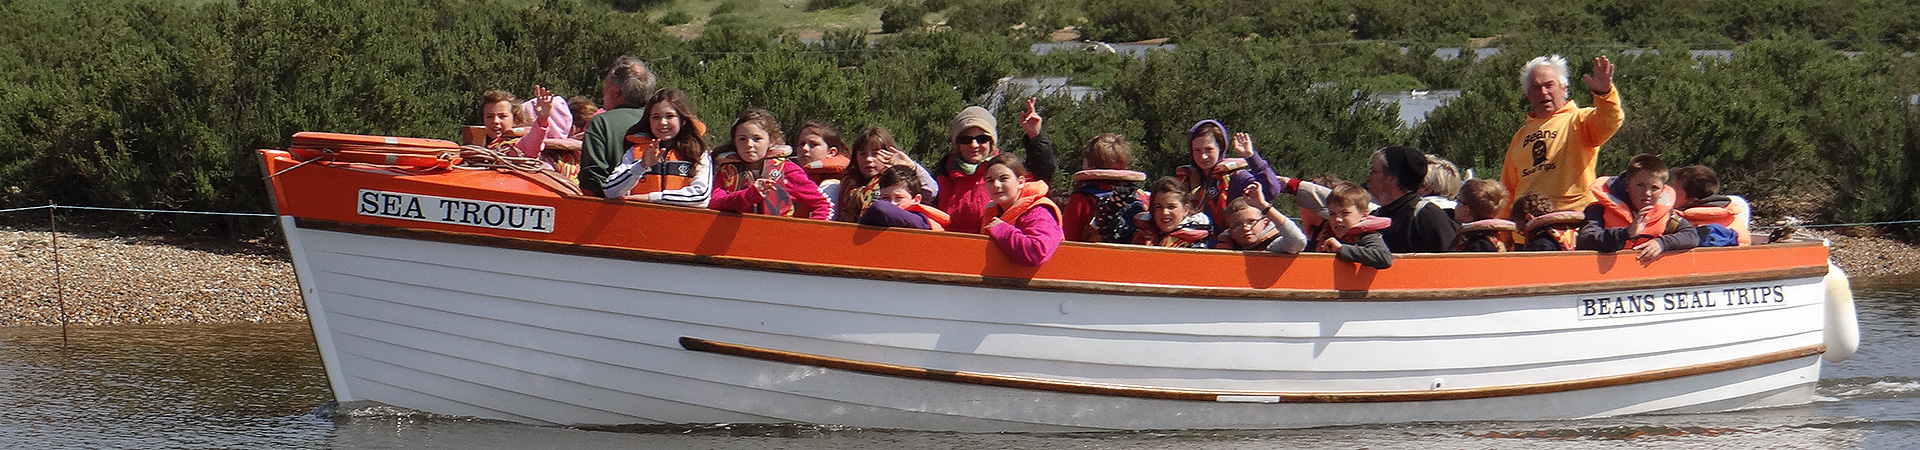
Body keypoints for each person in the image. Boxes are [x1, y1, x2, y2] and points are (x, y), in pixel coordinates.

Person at [1501, 54, 1623, 216]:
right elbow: (1507, 191)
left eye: (1549, 85)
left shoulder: (1580, 120)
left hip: (1571, 224)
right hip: (1528, 229)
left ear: (1563, 88)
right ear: (1528, 95)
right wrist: (1504, 234)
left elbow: (1610, 120)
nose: (1543, 92)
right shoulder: (1520, 136)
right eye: (1536, 88)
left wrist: (1604, 93)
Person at [934, 100, 1056, 234]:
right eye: (965, 139)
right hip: (947, 248)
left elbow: (1043, 172)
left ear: (992, 142)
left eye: (982, 139)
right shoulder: (943, 173)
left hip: (994, 249)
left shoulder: (1005, 170)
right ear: (957, 144)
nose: (974, 145)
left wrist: (1035, 137)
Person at [708, 109, 832, 220]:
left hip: (777, 239)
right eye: (742, 139)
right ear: (735, 142)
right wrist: (749, 195)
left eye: (757, 139)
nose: (749, 144)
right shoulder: (726, 172)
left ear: (771, 141)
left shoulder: (788, 170)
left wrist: (810, 233)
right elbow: (714, 203)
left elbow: (824, 205)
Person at [1577, 154, 1698, 262]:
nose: (1647, 193)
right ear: (1627, 186)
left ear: (1662, 191)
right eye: (1640, 185)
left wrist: (1661, 243)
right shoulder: (1599, 209)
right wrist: (1626, 233)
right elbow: (1585, 240)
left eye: (1654, 188)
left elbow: (1691, 235)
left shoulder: (1666, 214)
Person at [602, 88, 712, 207]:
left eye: (670, 116)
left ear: (683, 120)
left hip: (679, 223)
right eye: (656, 117)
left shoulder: (698, 154)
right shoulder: (634, 153)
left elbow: (701, 197)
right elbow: (610, 191)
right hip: (637, 221)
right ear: (648, 122)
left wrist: (651, 198)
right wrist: (641, 166)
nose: (663, 122)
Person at [1175, 120, 1286, 234]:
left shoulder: (1236, 177)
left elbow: (1271, 190)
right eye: (1197, 150)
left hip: (1232, 242)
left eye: (1209, 149)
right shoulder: (1186, 180)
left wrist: (1251, 157)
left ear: (1221, 148)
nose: (1203, 156)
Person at [580, 55, 659, 196]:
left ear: (617, 93)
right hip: (664, 209)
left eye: (605, 86)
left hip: (610, 212)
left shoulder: (601, 123)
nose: (603, 91)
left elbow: (591, 180)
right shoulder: (665, 123)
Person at [833, 126, 937, 222]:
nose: (868, 159)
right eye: (862, 154)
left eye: (875, 154)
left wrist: (912, 167)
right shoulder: (844, 184)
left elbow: (932, 191)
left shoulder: (900, 182)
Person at [1366, 146, 1459, 253]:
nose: (1367, 178)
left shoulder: (1426, 216)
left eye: (1373, 172)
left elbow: (1447, 262)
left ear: (1392, 178)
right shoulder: (1374, 215)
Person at [978, 153, 1063, 267]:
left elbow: (1037, 253)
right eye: (990, 180)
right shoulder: (993, 211)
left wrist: (1001, 230)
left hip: (1041, 281)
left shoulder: (1039, 211)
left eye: (1003, 179)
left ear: (1021, 182)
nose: (996, 185)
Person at [1062, 133, 1148, 243]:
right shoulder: (1139, 196)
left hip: (1095, 257)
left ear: (1090, 165)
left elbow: (1068, 239)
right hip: (1133, 257)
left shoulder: (1081, 199)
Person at [480, 88, 580, 179]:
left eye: (502, 116)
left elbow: (530, 145)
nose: (495, 121)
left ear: (515, 120)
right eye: (489, 117)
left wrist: (542, 120)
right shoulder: (484, 146)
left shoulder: (516, 145)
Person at [1317, 181, 1393, 269]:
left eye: (1345, 213)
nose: (1337, 219)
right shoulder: (1326, 234)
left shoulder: (1366, 236)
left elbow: (1384, 258)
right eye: (1332, 214)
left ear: (1364, 214)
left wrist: (1341, 249)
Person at [1215, 183, 1309, 254]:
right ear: (1231, 233)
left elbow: (1298, 242)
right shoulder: (1229, 246)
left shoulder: (1274, 246)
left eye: (1251, 221)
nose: (1245, 228)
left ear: (1266, 221)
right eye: (1237, 225)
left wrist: (1265, 207)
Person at [1671, 165, 1751, 246]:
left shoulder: (1678, 223)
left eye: (1675, 190)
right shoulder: (1735, 221)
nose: (1670, 193)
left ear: (1691, 198)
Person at [857, 165, 951, 231]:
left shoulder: (921, 220)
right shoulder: (876, 215)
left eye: (899, 198)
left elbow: (881, 207)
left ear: (916, 199)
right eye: (885, 197)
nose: (892, 203)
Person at [1131, 177, 1212, 248]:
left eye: (1171, 207)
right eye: (1159, 207)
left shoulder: (1197, 242)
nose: (1165, 212)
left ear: (1185, 209)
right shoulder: (1145, 235)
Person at [791, 120, 851, 205]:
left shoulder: (832, 185)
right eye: (801, 144)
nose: (804, 148)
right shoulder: (785, 174)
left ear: (831, 152)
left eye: (813, 144)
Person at [1452, 179, 1514, 252]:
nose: (1455, 206)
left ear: (1466, 209)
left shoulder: (1479, 243)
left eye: (1457, 200)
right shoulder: (1489, 236)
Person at [1511, 191, 1583, 251]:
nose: (1525, 237)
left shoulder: (1539, 245)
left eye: (1522, 232)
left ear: (1528, 218)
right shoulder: (1576, 233)